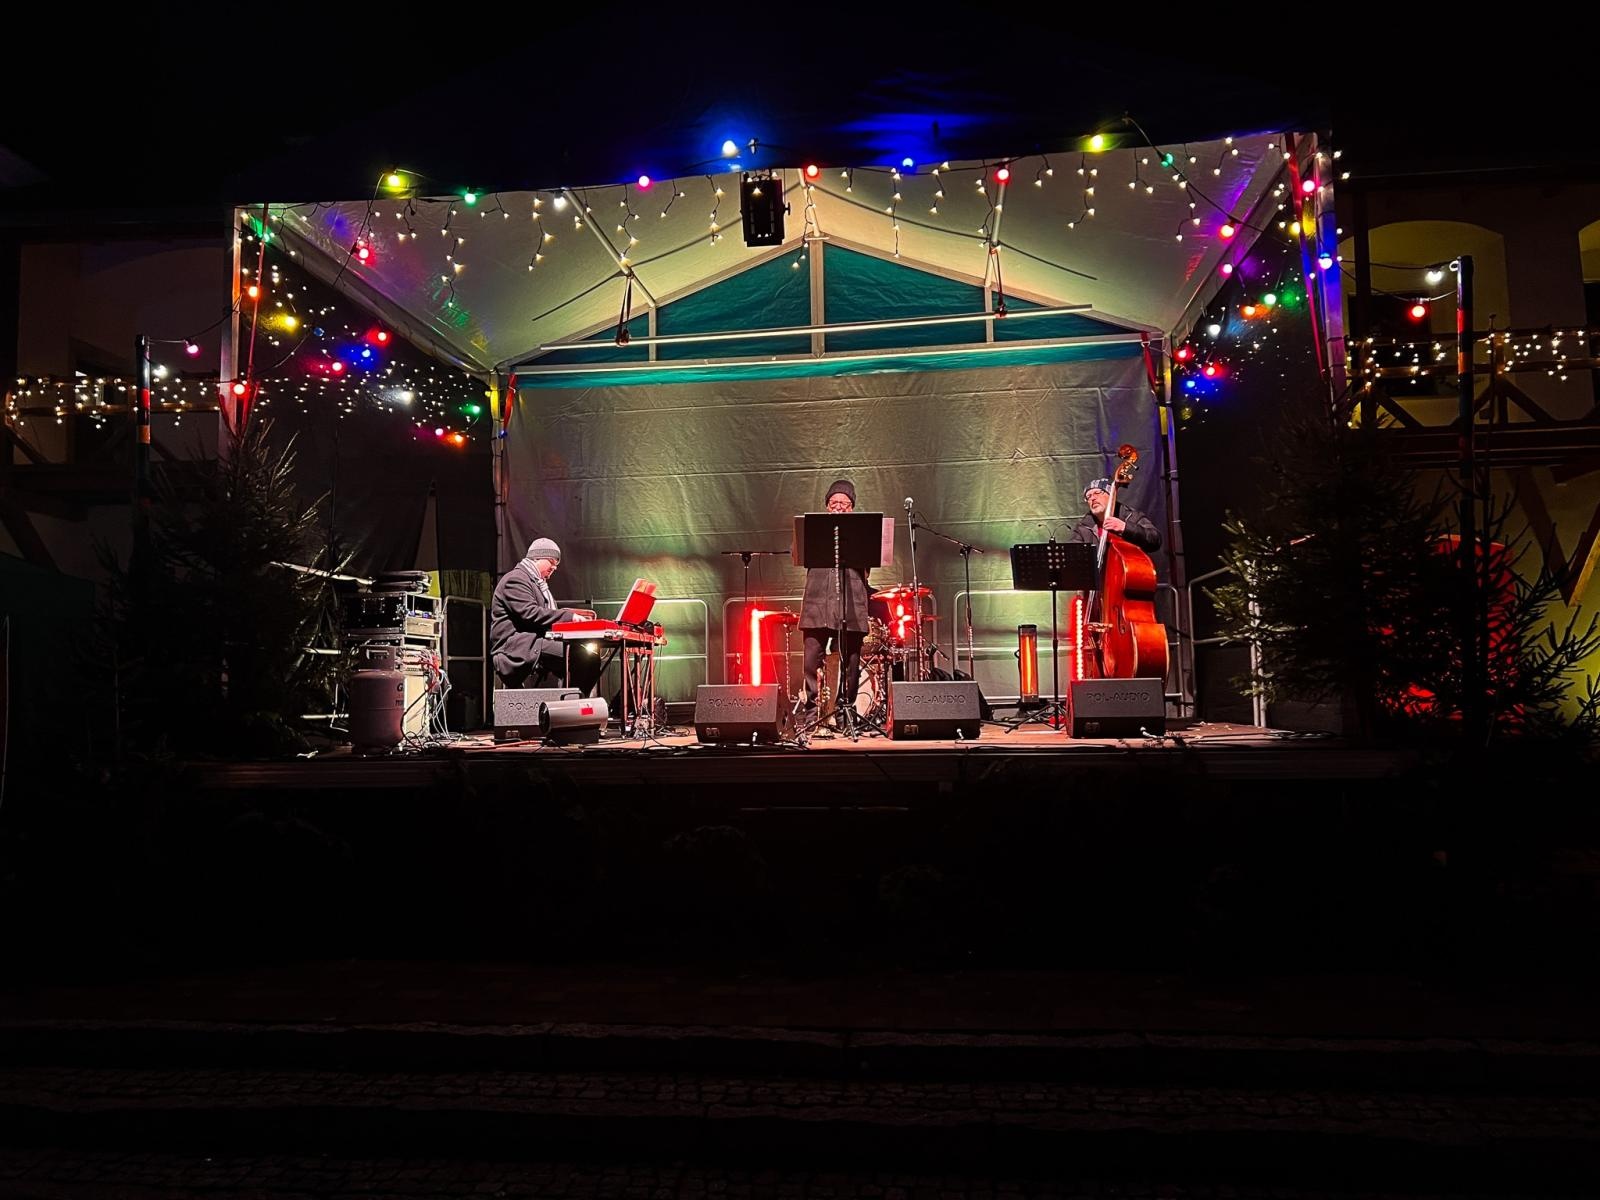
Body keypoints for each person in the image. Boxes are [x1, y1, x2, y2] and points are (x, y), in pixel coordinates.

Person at [799, 479, 872, 719]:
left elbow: (872, 561)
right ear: (826, 506)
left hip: (851, 604)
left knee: (850, 662)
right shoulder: (813, 530)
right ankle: (813, 715)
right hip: (817, 603)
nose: (838, 506)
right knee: (811, 661)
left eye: (844, 503)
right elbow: (798, 552)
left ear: (852, 508)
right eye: (833, 503)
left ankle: (845, 713)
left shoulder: (863, 532)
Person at [489, 537, 593, 688]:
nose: (555, 567)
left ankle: (573, 703)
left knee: (585, 657)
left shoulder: (535, 583)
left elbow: (544, 614)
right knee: (583, 658)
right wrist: (569, 617)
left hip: (533, 641)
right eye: (552, 562)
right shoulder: (516, 579)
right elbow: (530, 614)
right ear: (538, 557)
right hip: (516, 646)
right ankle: (575, 705)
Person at [1070, 477, 1163, 553]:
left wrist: (1125, 527)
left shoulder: (1131, 516)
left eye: (1097, 493)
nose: (1092, 498)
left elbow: (1155, 540)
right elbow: (1074, 557)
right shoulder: (1083, 528)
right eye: (1088, 497)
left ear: (1111, 495)